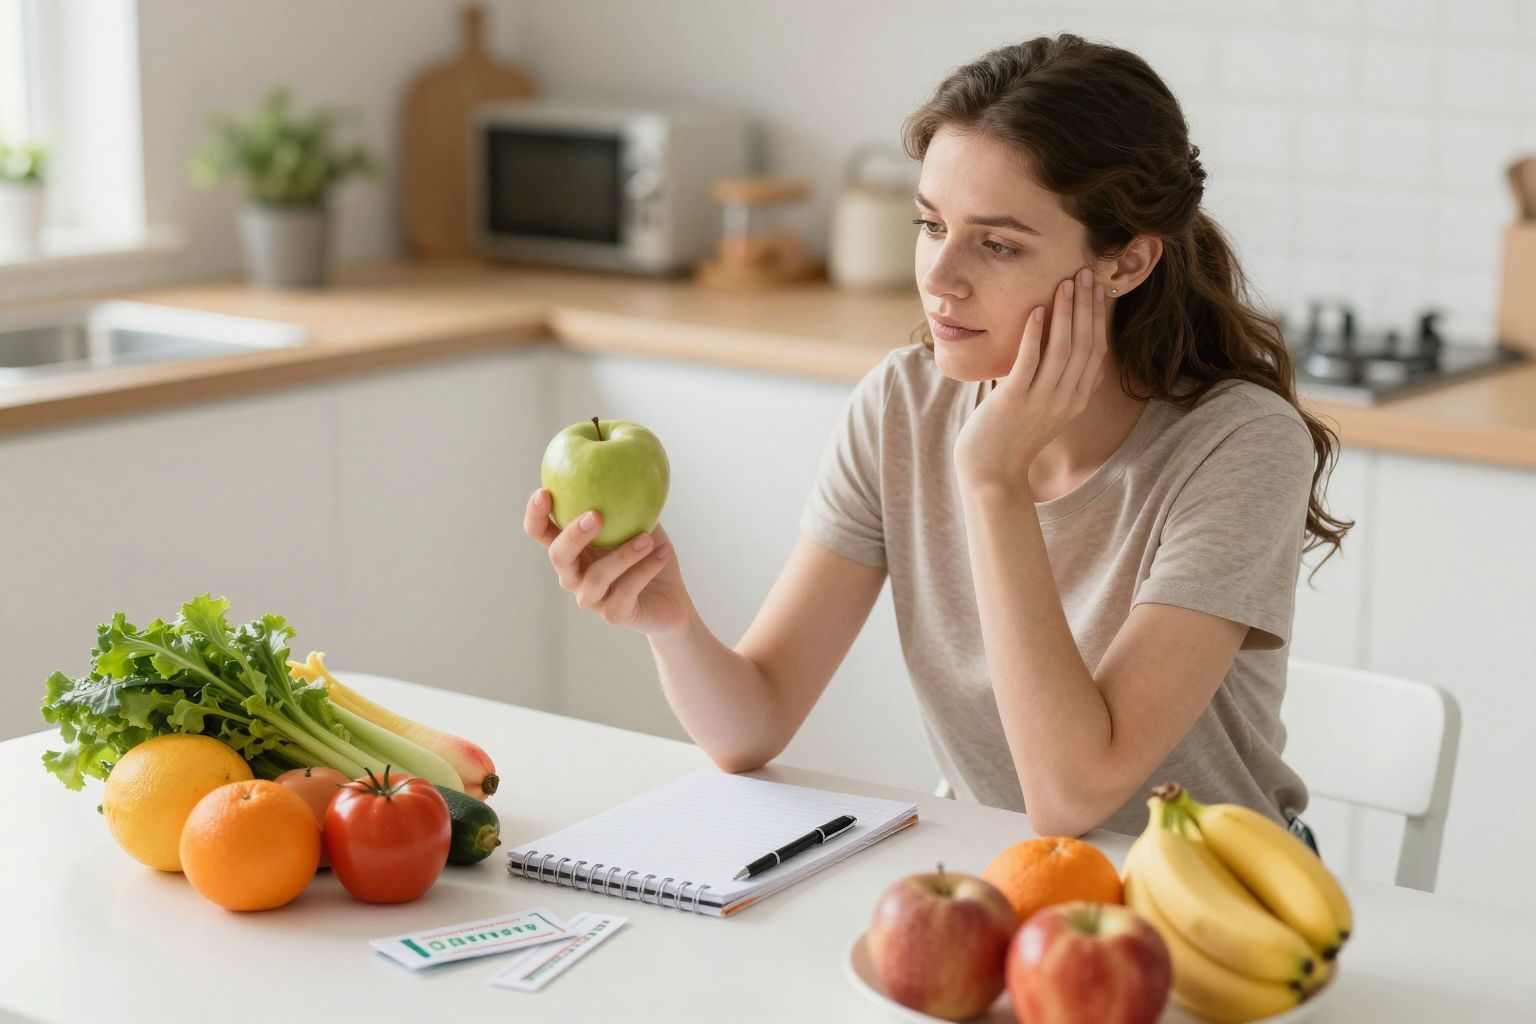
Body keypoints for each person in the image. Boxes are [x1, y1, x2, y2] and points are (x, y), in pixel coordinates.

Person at [523, 34, 1351, 841]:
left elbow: (1074, 797)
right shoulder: (904, 404)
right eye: (930, 225)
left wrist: (993, 479)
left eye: (997, 244)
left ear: (1126, 264)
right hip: (1008, 879)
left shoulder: (1239, 447)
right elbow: (753, 723)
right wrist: (671, 623)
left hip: (1220, 898)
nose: (940, 279)